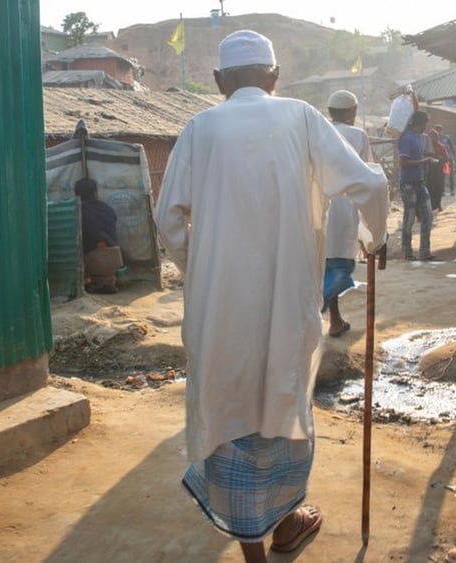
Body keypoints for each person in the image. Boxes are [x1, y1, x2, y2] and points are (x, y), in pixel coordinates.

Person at [154, 30, 388, 563]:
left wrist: (201, 269)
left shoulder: (199, 129)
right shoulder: (301, 118)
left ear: (218, 82)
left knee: (231, 416)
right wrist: (377, 236)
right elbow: (368, 185)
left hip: (220, 313)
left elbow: (168, 220)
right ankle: (285, 526)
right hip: (286, 305)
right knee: (278, 408)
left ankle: (255, 548)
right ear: (275, 77)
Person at [321, 89, 377, 338]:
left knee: (323, 263)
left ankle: (333, 317)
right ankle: (331, 317)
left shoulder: (319, 133)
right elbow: (369, 177)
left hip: (316, 207)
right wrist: (373, 226)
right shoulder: (357, 135)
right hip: (345, 207)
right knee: (339, 265)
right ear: (352, 112)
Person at [398, 110, 438, 261]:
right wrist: (423, 162)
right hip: (408, 183)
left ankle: (424, 251)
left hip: (419, 182)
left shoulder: (417, 137)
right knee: (409, 219)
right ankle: (407, 252)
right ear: (421, 124)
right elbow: (403, 162)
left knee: (427, 215)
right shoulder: (407, 138)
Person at [76, 177, 122, 294]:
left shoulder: (79, 209)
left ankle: (92, 281)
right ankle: (106, 282)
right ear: (95, 192)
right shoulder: (106, 207)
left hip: (98, 259)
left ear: (77, 193)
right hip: (116, 257)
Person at [424, 123, 449, 212]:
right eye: (430, 137)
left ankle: (438, 204)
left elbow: (446, 158)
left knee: (438, 188)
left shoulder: (441, 147)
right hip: (428, 172)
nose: (432, 139)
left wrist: (439, 158)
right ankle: (430, 206)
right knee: (429, 188)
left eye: (433, 137)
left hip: (438, 172)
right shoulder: (426, 147)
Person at [435, 124, 456, 195]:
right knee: (441, 175)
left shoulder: (447, 138)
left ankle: (452, 190)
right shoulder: (435, 139)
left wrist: (454, 158)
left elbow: (452, 148)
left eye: (440, 130)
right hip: (441, 159)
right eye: (437, 130)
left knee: (451, 175)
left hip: (449, 158)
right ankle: (442, 191)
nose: (439, 132)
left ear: (442, 131)